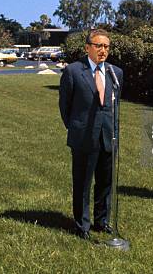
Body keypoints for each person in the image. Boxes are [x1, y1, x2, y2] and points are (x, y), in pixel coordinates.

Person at [58, 29, 123, 239]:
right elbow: (64, 106)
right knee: (83, 184)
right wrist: (75, 127)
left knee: (105, 183)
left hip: (108, 137)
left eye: (106, 46)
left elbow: (114, 107)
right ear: (87, 48)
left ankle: (101, 221)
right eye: (98, 46)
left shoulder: (115, 73)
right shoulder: (74, 71)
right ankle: (82, 226)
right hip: (84, 137)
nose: (103, 50)